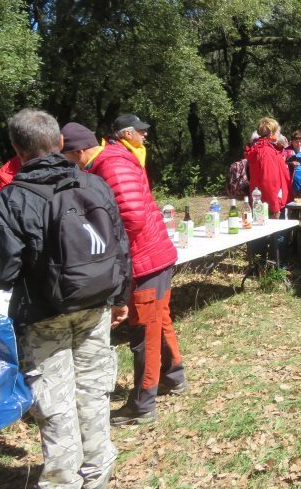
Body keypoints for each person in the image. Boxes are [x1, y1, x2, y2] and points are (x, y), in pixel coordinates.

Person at [0, 110, 131, 487]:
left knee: (55, 402)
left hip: (43, 314)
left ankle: (63, 480)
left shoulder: (11, 199)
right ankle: (98, 470)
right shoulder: (95, 185)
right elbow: (120, 245)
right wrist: (120, 296)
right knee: (94, 389)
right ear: (60, 143)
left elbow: (2, 271)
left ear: (16, 148)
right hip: (95, 305)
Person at [61, 121, 186, 426]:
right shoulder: (108, 162)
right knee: (159, 321)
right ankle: (173, 377)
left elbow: (132, 217)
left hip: (145, 259)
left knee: (144, 332)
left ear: (77, 152)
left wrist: (103, 248)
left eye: (65, 157)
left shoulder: (111, 165)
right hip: (151, 256)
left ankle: (142, 403)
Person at [246, 117, 292, 272]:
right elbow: (269, 180)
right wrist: (275, 207)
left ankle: (257, 267)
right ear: (271, 133)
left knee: (259, 233)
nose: (280, 134)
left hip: (260, 199)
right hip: (271, 201)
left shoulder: (261, 148)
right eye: (278, 131)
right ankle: (276, 269)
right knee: (278, 235)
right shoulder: (266, 151)